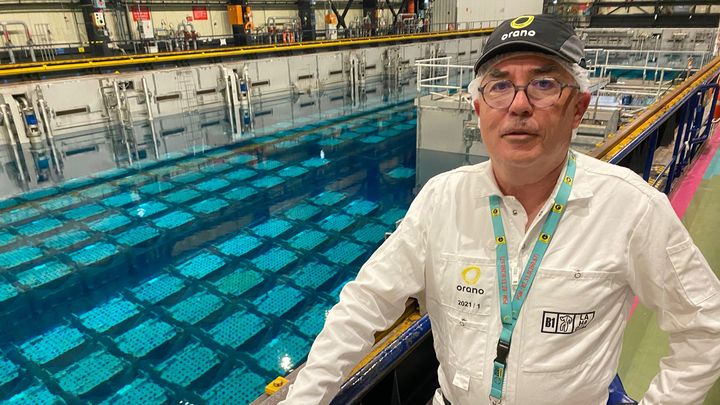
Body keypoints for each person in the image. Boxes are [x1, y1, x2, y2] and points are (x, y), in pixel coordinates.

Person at [280, 14, 720, 405]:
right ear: (478, 109)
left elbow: (707, 325)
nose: (519, 103)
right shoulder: (441, 200)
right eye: (500, 85)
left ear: (579, 108)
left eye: (545, 84)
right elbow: (363, 305)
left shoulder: (630, 209)